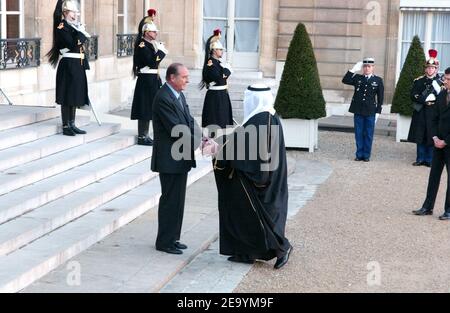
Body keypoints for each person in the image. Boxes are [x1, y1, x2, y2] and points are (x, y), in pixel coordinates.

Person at [212, 84, 292, 270]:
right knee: (244, 214)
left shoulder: (260, 120)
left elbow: (246, 151)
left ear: (253, 100)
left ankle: (283, 247)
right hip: (269, 176)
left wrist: (219, 150)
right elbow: (241, 139)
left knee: (259, 218)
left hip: (262, 181)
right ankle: (247, 252)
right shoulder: (267, 116)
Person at [151, 63, 202, 254]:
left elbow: (189, 121)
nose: (187, 80)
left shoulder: (178, 95)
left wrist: (202, 137)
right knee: (170, 200)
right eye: (184, 77)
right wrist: (199, 144)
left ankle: (173, 238)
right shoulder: (163, 97)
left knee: (178, 200)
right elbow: (176, 129)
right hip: (169, 158)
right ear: (172, 78)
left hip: (180, 157)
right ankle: (164, 242)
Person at [47, 0, 91, 136]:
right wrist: (81, 33)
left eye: (76, 12)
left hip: (77, 64)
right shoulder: (62, 27)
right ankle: (66, 125)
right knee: (67, 95)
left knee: (75, 94)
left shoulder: (73, 27)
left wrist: (79, 30)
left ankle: (72, 123)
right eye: (73, 12)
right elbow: (72, 44)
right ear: (65, 13)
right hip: (68, 65)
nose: (75, 15)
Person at [413, 67, 450, 220]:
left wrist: (446, 141)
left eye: (448, 79)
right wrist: (435, 137)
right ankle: (428, 206)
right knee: (434, 175)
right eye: (445, 78)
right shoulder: (441, 94)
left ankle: (448, 210)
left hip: (449, 143)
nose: (445, 81)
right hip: (438, 142)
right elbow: (433, 117)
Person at [131, 9, 168, 146]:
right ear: (146, 32)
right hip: (146, 80)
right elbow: (152, 61)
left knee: (151, 106)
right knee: (144, 107)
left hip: (152, 79)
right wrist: (161, 52)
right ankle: (142, 136)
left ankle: (146, 134)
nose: (156, 33)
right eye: (153, 31)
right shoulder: (142, 45)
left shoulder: (150, 44)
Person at [342, 58, 384, 162]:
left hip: (370, 111)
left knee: (368, 134)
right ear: (363, 68)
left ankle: (366, 155)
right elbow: (345, 80)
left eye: (369, 66)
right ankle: (359, 154)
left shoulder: (378, 80)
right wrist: (353, 70)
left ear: (373, 67)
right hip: (358, 110)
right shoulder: (357, 78)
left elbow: (380, 97)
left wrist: (378, 111)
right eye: (365, 66)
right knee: (358, 133)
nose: (367, 68)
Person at [408, 49, 443, 167]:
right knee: (420, 135)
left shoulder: (440, 83)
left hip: (433, 112)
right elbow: (413, 95)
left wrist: (434, 100)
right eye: (428, 68)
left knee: (431, 134)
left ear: (436, 69)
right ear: (425, 69)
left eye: (432, 68)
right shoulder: (419, 81)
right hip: (421, 112)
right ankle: (420, 158)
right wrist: (424, 100)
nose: (430, 70)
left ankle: (429, 160)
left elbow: (443, 98)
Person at [200, 29, 234, 137]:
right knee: (215, 120)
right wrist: (227, 70)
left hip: (221, 94)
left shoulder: (218, 63)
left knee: (222, 120)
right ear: (214, 51)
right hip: (215, 96)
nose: (222, 51)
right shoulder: (210, 63)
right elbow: (219, 78)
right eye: (220, 49)